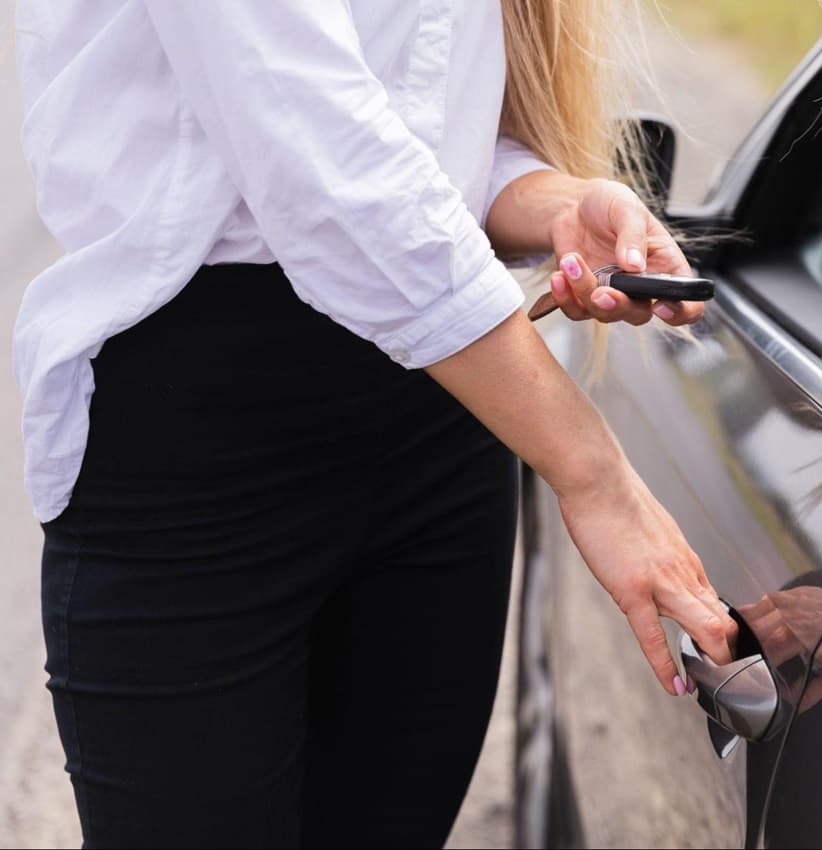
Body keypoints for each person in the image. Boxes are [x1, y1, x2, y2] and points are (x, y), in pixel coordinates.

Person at [14, 1, 738, 846]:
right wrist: (595, 475)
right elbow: (316, 154)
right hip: (200, 457)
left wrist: (557, 204)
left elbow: (427, 135)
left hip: (441, 434)